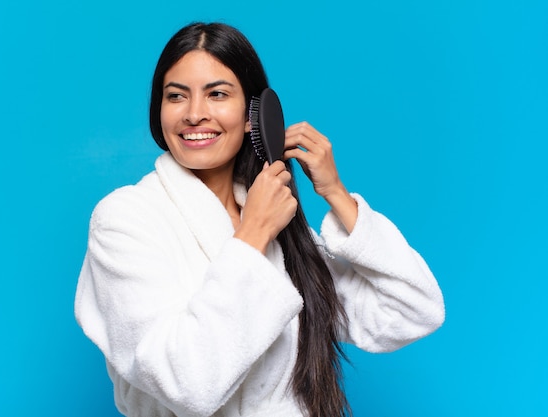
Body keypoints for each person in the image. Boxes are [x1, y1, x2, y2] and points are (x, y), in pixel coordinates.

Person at [74, 22, 445, 417]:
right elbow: (186, 383)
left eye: (217, 94)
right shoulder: (125, 219)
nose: (195, 114)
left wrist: (336, 194)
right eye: (176, 97)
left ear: (254, 115)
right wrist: (252, 235)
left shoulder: (281, 227)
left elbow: (414, 310)